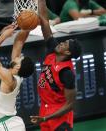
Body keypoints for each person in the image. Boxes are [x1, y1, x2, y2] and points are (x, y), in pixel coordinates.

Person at [30, 0, 82, 130]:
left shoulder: (67, 73)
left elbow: (70, 105)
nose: (61, 43)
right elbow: (44, 21)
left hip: (60, 117)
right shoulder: (53, 49)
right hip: (45, 108)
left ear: (68, 52)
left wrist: (47, 118)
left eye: (65, 44)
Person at [0, 24, 34, 131]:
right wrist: (28, 26)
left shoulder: (9, 78)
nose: (19, 56)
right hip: (11, 124)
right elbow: (19, 42)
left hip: (8, 125)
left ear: (18, 67)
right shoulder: (16, 75)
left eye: (20, 59)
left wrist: (3, 37)